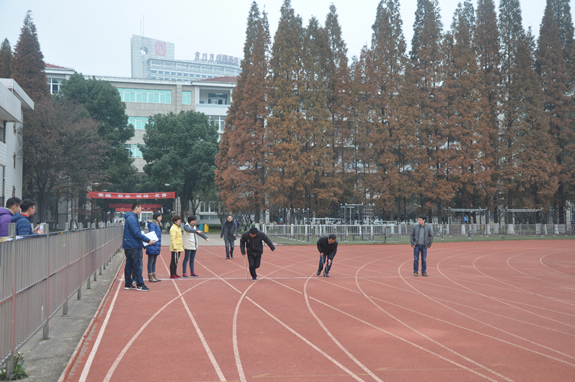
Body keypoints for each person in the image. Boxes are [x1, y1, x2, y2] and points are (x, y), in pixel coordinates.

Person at [123, 203, 155, 291]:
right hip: (134, 245)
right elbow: (136, 233)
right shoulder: (132, 218)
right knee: (137, 265)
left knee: (129, 265)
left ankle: (128, 284)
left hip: (128, 245)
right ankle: (140, 284)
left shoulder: (129, 217)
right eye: (140, 208)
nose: (141, 210)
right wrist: (148, 240)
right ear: (136, 208)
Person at [146, 212, 163, 282]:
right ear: (156, 217)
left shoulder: (157, 225)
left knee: (154, 261)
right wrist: (152, 242)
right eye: (160, 217)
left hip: (156, 245)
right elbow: (151, 234)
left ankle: (154, 275)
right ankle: (150, 276)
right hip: (153, 244)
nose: (161, 218)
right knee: (151, 261)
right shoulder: (153, 225)